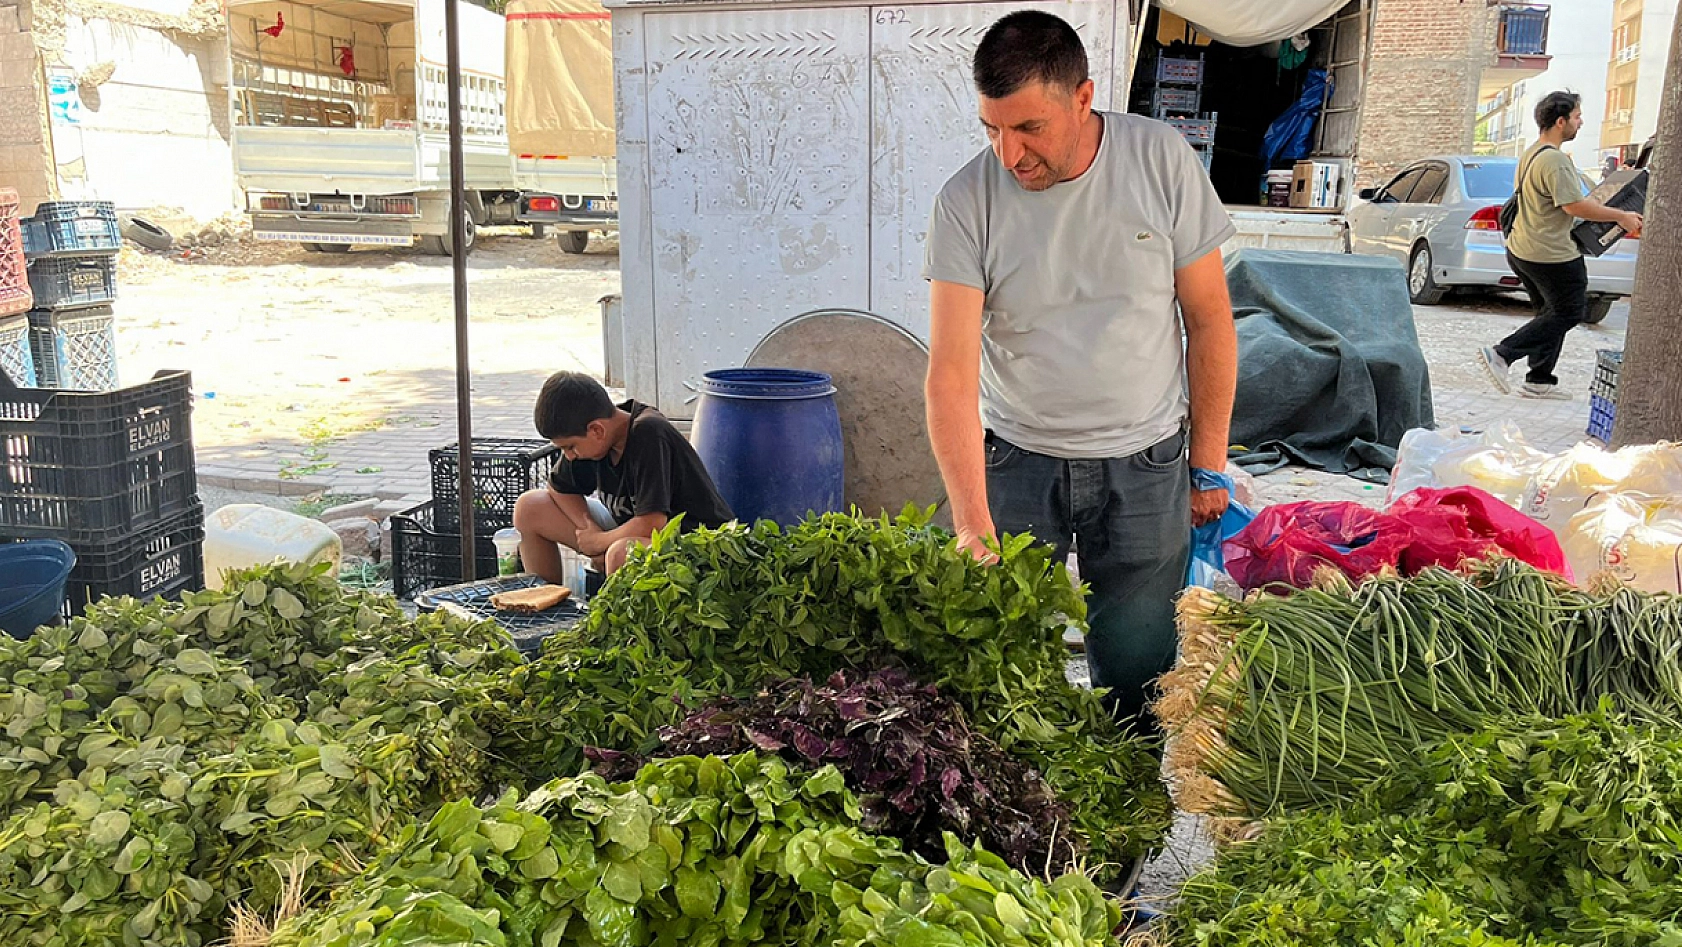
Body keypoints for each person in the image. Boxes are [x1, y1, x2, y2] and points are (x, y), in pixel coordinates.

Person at [921, 11, 1238, 737]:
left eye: (1028, 127)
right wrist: (971, 521)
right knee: (1004, 674)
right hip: (1017, 464)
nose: (1009, 154)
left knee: (1137, 674)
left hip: (1147, 462)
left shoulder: (1160, 161)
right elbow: (949, 375)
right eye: (991, 129)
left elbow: (1211, 321)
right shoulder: (965, 202)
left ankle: (1129, 833)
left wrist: (1209, 462)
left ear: (1083, 96)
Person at [1477, 92, 1643, 400]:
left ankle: (1539, 379)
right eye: (1577, 117)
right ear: (1560, 121)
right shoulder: (1554, 160)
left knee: (1548, 314)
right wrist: (1622, 216)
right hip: (1551, 252)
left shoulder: (1533, 153)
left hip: (1522, 249)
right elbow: (1574, 207)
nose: (1581, 123)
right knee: (1568, 312)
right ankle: (1502, 354)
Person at [513, 371, 734, 581]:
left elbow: (652, 524)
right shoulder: (594, 435)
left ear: (597, 430)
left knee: (621, 554)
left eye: (570, 447)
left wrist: (601, 542)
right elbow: (559, 488)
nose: (569, 457)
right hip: (632, 531)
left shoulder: (648, 432)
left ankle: (620, 620)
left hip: (701, 545)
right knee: (529, 507)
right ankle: (546, 605)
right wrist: (589, 528)